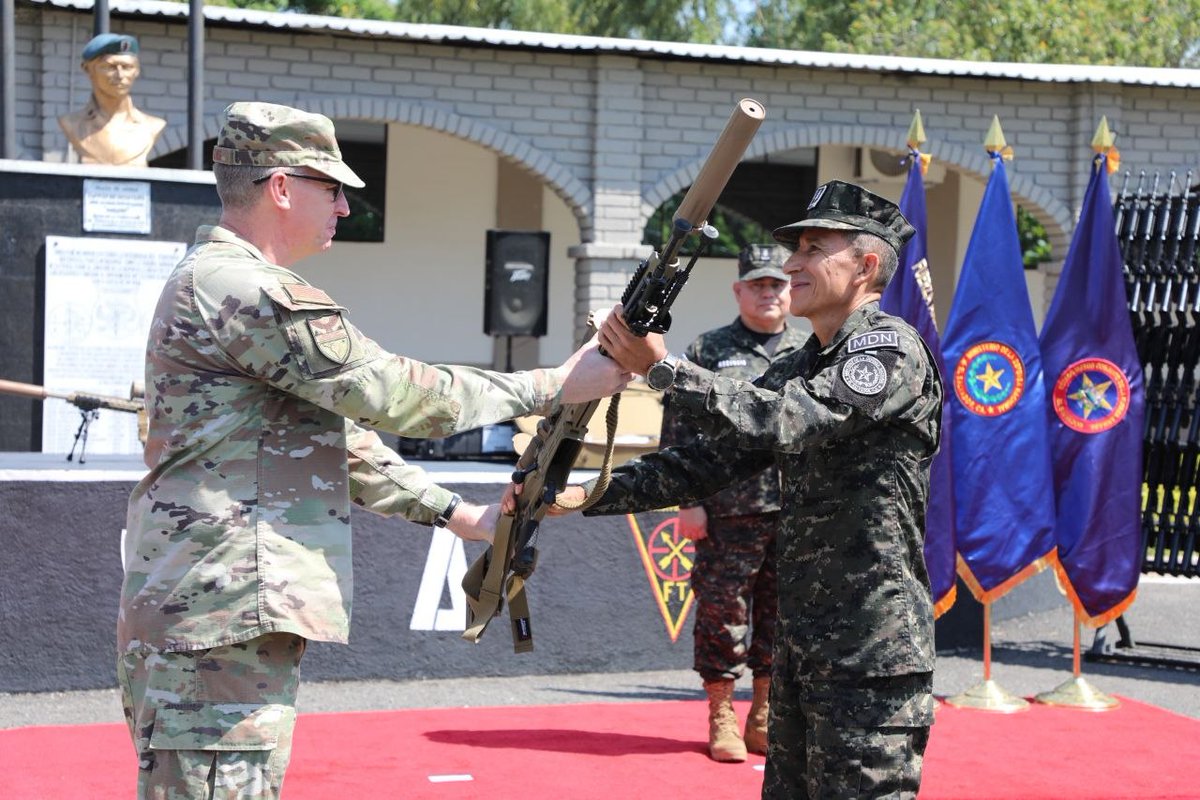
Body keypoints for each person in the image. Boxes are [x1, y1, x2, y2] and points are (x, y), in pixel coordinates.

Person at [117, 101, 630, 800]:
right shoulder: (245, 288)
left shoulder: (223, 283)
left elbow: (336, 443)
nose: (345, 207)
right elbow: (394, 393)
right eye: (332, 188)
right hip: (218, 615)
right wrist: (554, 384)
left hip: (220, 612)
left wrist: (464, 517)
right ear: (280, 186)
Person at [548, 180, 941, 798]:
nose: (791, 265)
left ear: (866, 266)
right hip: (804, 644)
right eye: (795, 249)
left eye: (813, 249)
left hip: (871, 649)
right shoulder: (805, 360)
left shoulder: (889, 349)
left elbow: (786, 417)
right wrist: (576, 493)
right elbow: (706, 463)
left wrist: (666, 370)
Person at [659, 243, 807, 762]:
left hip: (795, 509)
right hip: (727, 509)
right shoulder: (709, 350)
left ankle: (763, 715)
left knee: (781, 616)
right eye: (758, 284)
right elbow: (679, 429)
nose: (769, 293)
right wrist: (688, 500)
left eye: (777, 284)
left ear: (791, 289)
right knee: (722, 613)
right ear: (738, 289)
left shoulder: (812, 347)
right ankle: (721, 713)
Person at [58, 33, 166, 166]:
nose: (120, 75)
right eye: (110, 67)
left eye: (127, 67)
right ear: (87, 70)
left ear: (137, 71)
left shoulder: (152, 126)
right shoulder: (71, 123)